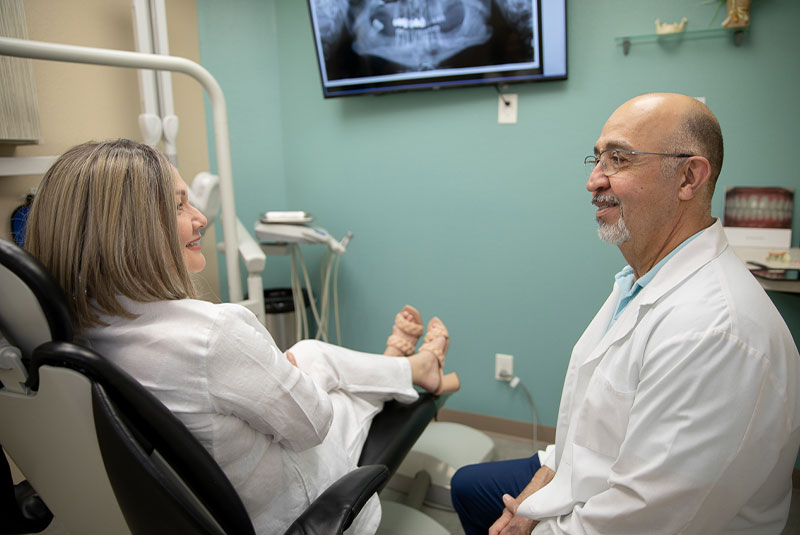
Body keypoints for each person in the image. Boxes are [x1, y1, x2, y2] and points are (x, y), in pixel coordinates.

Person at [23, 138, 460, 535]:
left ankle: (403, 366)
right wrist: (296, 381)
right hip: (292, 505)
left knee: (310, 354)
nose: (199, 219)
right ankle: (412, 369)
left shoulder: (76, 338)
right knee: (332, 384)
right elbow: (314, 425)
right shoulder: (212, 334)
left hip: (217, 493)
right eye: (178, 206)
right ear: (127, 230)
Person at [450, 93, 800, 534]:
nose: (594, 180)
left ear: (688, 177)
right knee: (467, 485)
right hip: (586, 475)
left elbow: (636, 520)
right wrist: (545, 480)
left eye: (618, 159)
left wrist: (532, 526)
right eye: (596, 159)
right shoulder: (641, 280)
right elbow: (589, 417)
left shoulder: (715, 332)